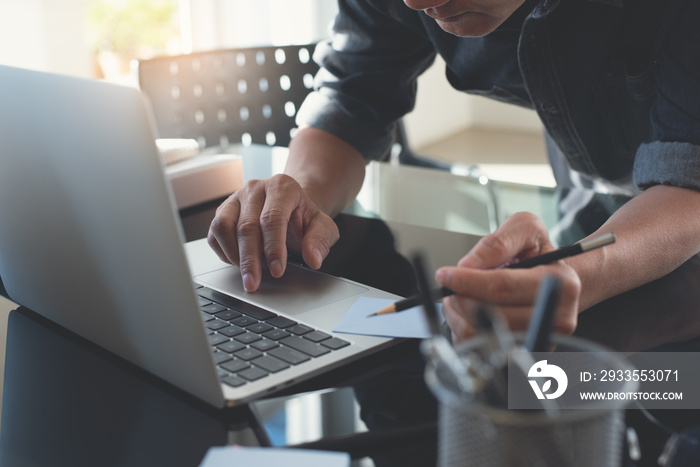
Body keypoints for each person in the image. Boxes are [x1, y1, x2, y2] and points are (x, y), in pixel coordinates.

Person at [207, 0, 700, 343]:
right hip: (591, 222)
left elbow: (690, 179)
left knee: (668, 396)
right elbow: (353, 96)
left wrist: (579, 273)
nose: (417, 3)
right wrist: (303, 192)